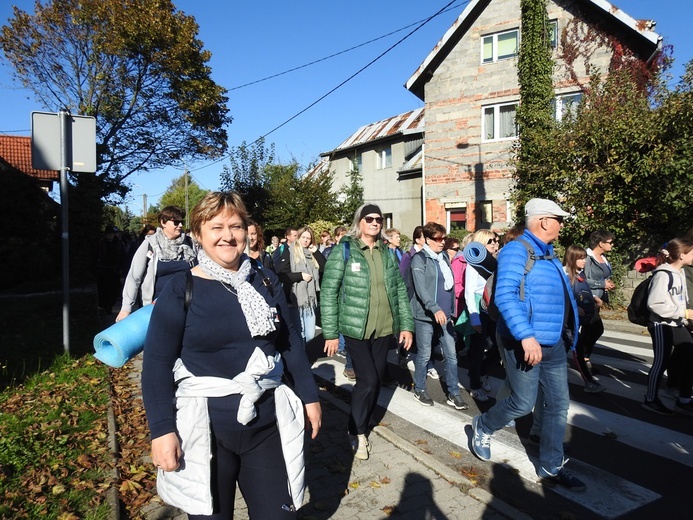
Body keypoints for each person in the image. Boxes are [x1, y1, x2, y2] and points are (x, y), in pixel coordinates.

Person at [141, 191, 321, 519]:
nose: (228, 236)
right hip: (205, 431)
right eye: (217, 227)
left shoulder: (264, 280)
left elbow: (290, 341)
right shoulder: (182, 287)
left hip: (266, 425)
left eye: (236, 226)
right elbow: (156, 363)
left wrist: (310, 397)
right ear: (198, 234)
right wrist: (161, 430)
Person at [471, 198, 584, 492]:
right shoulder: (515, 251)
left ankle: (551, 466)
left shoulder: (549, 255)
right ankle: (482, 426)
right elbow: (505, 296)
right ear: (544, 221)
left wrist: (570, 335)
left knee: (558, 406)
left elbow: (560, 299)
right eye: (558, 220)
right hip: (522, 342)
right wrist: (525, 335)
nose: (561, 226)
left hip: (553, 344)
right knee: (522, 403)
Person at [320, 203, 414, 460]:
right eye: (369, 219)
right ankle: (357, 431)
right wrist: (330, 332)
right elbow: (329, 292)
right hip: (355, 329)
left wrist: (406, 325)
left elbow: (400, 291)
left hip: (383, 329)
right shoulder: (344, 251)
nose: (375, 223)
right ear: (359, 222)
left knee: (375, 380)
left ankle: (362, 420)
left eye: (379, 220)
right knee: (369, 380)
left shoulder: (386, 253)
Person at [409, 222, 469, 410]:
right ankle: (419, 388)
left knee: (451, 355)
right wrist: (434, 309)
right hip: (426, 316)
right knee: (425, 354)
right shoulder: (419, 259)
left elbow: (449, 287)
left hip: (445, 315)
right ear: (427, 239)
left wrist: (451, 310)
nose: (442, 242)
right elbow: (421, 289)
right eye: (438, 239)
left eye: (443, 238)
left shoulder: (443, 256)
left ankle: (454, 393)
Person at [116, 206, 196, 322]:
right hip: (156, 308)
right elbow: (134, 277)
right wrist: (126, 308)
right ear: (163, 222)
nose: (180, 225)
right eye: (176, 222)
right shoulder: (150, 244)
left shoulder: (189, 243)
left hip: (187, 306)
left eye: (181, 222)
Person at [643, 238, 693, 415]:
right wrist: (685, 313)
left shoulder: (679, 273)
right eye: (692, 251)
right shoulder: (663, 274)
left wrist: (685, 319)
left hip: (677, 322)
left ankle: (684, 399)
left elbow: (679, 300)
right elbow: (655, 304)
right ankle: (650, 399)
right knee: (661, 362)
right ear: (682, 255)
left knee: (689, 354)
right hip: (661, 323)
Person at [563, 245, 606, 393]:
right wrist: (575, 308)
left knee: (563, 349)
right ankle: (589, 382)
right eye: (581, 258)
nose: (584, 260)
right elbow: (564, 297)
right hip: (568, 320)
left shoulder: (580, 274)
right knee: (578, 349)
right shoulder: (565, 275)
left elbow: (582, 292)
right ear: (572, 258)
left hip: (577, 318)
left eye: (585, 257)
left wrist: (593, 299)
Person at [463, 229, 500, 402]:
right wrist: (474, 317)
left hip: (494, 308)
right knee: (477, 350)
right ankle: (475, 384)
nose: (494, 244)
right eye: (490, 241)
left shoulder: (497, 262)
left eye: (495, 240)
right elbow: (469, 293)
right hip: (480, 309)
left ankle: (483, 371)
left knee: (498, 347)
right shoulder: (473, 264)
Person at [276, 226, 326, 343]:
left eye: (308, 238)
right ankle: (302, 358)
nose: (305, 240)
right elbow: (280, 274)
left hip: (310, 300)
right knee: (299, 333)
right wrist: (300, 276)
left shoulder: (311, 254)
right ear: (298, 238)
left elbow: (325, 268)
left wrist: (316, 252)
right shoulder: (290, 252)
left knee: (309, 335)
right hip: (295, 300)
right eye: (303, 237)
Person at [583, 230, 616, 371]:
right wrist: (602, 284)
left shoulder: (603, 257)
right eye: (610, 242)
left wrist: (607, 283)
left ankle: (584, 358)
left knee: (589, 330)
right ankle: (582, 358)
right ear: (600, 243)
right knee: (596, 329)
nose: (612, 245)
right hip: (588, 298)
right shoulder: (587, 257)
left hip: (598, 299)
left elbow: (602, 276)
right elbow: (582, 279)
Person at [96, 225, 125, 314]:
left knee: (114, 289)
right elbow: (95, 256)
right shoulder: (101, 243)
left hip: (115, 270)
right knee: (103, 289)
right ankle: (104, 306)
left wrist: (122, 270)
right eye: (109, 234)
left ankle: (110, 305)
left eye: (112, 234)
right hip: (103, 270)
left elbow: (123, 257)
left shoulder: (119, 244)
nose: (110, 236)